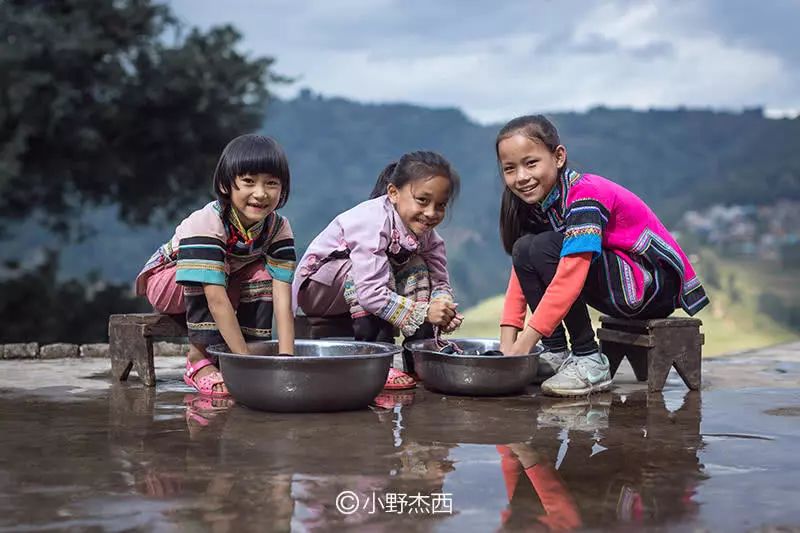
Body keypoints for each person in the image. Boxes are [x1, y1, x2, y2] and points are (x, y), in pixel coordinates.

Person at [496, 115, 708, 397]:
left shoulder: (584, 195)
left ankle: (588, 359)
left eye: (531, 163)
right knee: (526, 247)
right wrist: (505, 347)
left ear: (558, 157)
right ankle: (556, 351)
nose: (521, 177)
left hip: (650, 286)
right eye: (510, 169)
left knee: (547, 247)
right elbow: (521, 272)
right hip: (618, 281)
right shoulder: (543, 203)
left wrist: (524, 347)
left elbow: (570, 276)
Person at [135, 134, 296, 397]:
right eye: (248, 182)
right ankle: (198, 360)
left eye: (271, 183)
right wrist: (250, 370)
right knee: (214, 271)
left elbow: (282, 296)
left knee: (260, 273)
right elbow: (216, 299)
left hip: (226, 281)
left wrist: (287, 360)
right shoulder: (207, 222)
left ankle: (244, 353)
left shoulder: (278, 226)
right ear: (225, 185)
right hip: (168, 284)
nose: (260, 193)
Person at [293, 151, 463, 389]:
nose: (431, 213)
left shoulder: (428, 237)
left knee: (417, 267)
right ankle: (378, 361)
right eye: (422, 200)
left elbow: (440, 282)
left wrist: (443, 307)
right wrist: (425, 312)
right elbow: (370, 292)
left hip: (360, 290)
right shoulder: (371, 222)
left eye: (441, 205)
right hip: (319, 291)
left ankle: (420, 357)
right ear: (393, 193)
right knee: (364, 271)